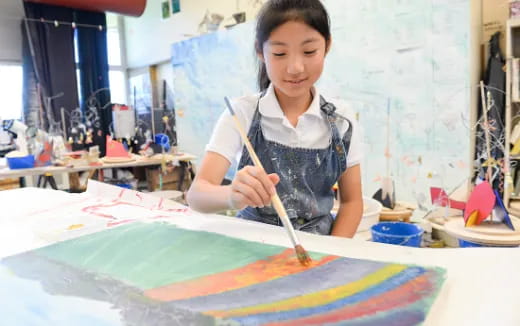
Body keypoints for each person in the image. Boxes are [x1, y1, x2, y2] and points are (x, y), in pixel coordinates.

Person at [187, 0, 363, 237]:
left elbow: (352, 203)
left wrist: (330, 258)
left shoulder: (341, 119)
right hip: (252, 246)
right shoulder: (242, 113)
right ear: (261, 52)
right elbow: (197, 195)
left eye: (309, 51)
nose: (295, 67)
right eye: (279, 53)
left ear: (327, 46)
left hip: (319, 250)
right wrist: (231, 195)